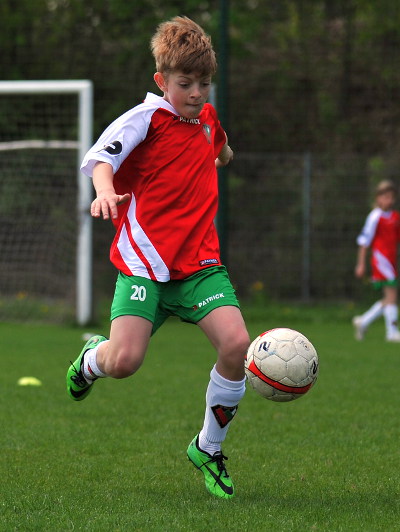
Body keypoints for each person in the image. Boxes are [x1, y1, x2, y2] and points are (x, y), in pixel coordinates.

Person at [66, 16, 249, 500]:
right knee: (124, 362)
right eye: (185, 84)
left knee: (237, 346)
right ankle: (92, 360)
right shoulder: (145, 119)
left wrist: (223, 155)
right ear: (161, 80)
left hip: (200, 265)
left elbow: (219, 146)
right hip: (144, 265)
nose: (196, 93)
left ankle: (208, 447)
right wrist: (105, 191)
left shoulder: (207, 119)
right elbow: (101, 159)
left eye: (204, 84)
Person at [353, 179, 400, 343]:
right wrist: (361, 264)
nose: (389, 200)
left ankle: (363, 321)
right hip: (381, 260)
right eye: (385, 197)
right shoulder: (374, 217)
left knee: (390, 298)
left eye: (392, 197)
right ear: (378, 198)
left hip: (391, 262)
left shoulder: (396, 216)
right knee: (392, 296)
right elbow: (364, 242)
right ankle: (392, 332)